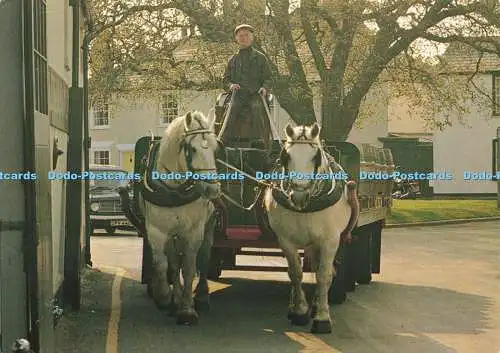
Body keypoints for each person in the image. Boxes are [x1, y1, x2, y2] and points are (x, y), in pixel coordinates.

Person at [220, 24, 273, 151]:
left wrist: (264, 88)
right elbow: (225, 80)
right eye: (241, 36)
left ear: (252, 37)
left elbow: (269, 78)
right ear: (236, 39)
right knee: (231, 107)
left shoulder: (260, 58)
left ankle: (260, 139)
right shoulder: (233, 59)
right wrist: (231, 85)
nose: (244, 38)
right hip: (238, 95)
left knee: (256, 107)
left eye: (246, 35)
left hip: (255, 94)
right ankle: (224, 139)